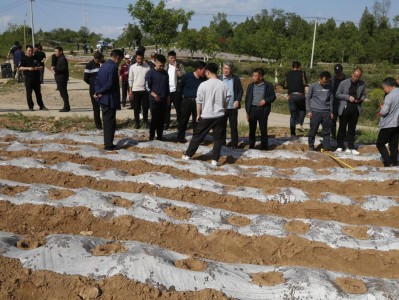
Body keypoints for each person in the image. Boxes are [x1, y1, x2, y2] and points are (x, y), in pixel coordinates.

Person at [182, 62, 230, 166]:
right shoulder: (223, 85)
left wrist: (198, 114)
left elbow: (198, 101)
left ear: (208, 72)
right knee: (218, 139)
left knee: (198, 136)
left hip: (207, 115)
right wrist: (224, 109)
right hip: (219, 115)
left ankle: (187, 155)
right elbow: (228, 99)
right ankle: (214, 160)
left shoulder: (203, 85)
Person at [94, 49, 124, 151]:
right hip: (109, 99)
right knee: (110, 123)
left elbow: (97, 80)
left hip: (103, 99)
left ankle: (108, 143)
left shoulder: (104, 66)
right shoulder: (113, 67)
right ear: (117, 58)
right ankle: (109, 145)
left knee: (107, 121)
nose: (120, 62)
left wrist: (98, 91)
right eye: (120, 60)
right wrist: (99, 92)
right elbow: (110, 84)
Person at [335, 68, 366, 154]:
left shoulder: (362, 84)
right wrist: (348, 97)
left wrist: (361, 99)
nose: (355, 78)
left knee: (352, 128)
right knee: (342, 127)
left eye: (358, 77)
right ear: (352, 74)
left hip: (355, 108)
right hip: (345, 107)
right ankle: (340, 145)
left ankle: (351, 146)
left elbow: (364, 95)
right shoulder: (344, 83)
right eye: (354, 76)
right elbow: (337, 94)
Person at [245, 68, 276, 150]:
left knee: (263, 130)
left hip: (263, 110)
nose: (253, 77)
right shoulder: (250, 86)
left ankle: (264, 147)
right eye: (253, 75)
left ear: (261, 77)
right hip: (252, 110)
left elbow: (273, 97)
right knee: (252, 130)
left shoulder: (268, 85)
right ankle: (251, 146)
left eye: (255, 76)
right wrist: (247, 112)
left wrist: (265, 100)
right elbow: (247, 99)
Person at [176, 60, 207, 143]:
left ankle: (196, 139)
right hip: (187, 101)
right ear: (198, 69)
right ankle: (180, 137)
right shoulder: (187, 76)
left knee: (197, 120)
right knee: (183, 120)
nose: (205, 73)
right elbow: (181, 87)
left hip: (198, 102)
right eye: (204, 70)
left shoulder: (203, 79)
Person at [306, 71, 333, 151]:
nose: (325, 84)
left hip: (326, 112)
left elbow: (331, 99)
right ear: (320, 79)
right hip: (315, 111)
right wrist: (308, 110)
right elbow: (307, 98)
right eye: (324, 82)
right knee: (313, 130)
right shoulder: (313, 86)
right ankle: (311, 146)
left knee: (326, 131)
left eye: (327, 82)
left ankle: (326, 147)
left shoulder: (330, 86)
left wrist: (331, 111)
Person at [145, 54, 170, 141]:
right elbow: (147, 87)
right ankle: (151, 136)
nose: (161, 67)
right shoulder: (150, 73)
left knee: (162, 119)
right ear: (156, 62)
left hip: (163, 99)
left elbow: (167, 87)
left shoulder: (165, 73)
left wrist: (168, 98)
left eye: (163, 65)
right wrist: (154, 95)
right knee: (155, 118)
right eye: (160, 65)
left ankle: (160, 136)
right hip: (154, 99)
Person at [219, 61, 243, 148]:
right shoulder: (219, 79)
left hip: (232, 107)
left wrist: (237, 100)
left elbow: (240, 91)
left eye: (228, 69)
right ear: (222, 69)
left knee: (233, 127)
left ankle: (234, 144)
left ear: (231, 70)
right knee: (222, 126)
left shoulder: (235, 79)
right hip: (222, 107)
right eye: (224, 68)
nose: (226, 70)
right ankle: (222, 144)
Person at [376, 77, 399, 167]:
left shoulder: (389, 96)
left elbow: (385, 111)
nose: (384, 90)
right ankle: (394, 161)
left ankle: (388, 162)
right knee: (393, 144)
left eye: (384, 88)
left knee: (380, 144)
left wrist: (381, 109)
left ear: (389, 86)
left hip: (388, 124)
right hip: (397, 123)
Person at [18, 45, 48, 111]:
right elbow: (20, 68)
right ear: (26, 51)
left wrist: (37, 68)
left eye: (31, 51)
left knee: (38, 93)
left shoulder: (36, 58)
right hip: (28, 78)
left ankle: (41, 106)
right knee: (29, 94)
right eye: (29, 51)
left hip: (36, 78)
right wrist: (28, 68)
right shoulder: (23, 58)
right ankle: (31, 107)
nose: (30, 52)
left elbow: (41, 67)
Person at [283, 61, 308, 137]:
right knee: (302, 109)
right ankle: (299, 123)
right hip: (300, 95)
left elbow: (284, 86)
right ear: (299, 67)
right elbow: (305, 83)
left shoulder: (287, 74)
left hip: (291, 96)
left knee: (293, 115)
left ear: (292, 67)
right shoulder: (302, 73)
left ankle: (293, 134)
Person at [128, 50, 150, 129]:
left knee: (145, 107)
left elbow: (149, 79)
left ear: (143, 58)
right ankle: (136, 122)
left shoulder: (147, 67)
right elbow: (130, 79)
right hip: (135, 90)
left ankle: (145, 121)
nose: (139, 60)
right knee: (136, 107)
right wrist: (130, 91)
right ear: (136, 58)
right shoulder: (132, 67)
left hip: (144, 90)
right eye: (138, 58)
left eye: (141, 58)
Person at [164, 50, 185, 130]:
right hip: (167, 91)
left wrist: (176, 68)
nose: (173, 59)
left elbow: (182, 76)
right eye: (171, 58)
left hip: (177, 90)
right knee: (167, 108)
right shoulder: (166, 66)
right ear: (168, 58)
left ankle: (180, 124)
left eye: (174, 57)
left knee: (178, 109)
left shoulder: (179, 65)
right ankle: (166, 124)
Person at [84, 51, 104, 130]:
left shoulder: (103, 64)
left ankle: (106, 124)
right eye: (97, 60)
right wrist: (92, 84)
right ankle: (98, 126)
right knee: (96, 108)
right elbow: (85, 78)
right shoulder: (89, 65)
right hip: (93, 89)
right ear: (94, 58)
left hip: (103, 89)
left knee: (105, 107)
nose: (99, 61)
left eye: (100, 60)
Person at [51, 47, 70, 112]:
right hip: (59, 78)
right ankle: (66, 106)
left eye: (56, 51)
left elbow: (63, 69)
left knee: (63, 93)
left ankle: (66, 107)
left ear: (61, 52)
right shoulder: (59, 58)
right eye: (55, 51)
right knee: (62, 93)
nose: (55, 52)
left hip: (62, 78)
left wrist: (55, 68)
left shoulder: (63, 59)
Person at [331, 64, 346, 140]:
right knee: (333, 120)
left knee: (342, 121)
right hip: (334, 103)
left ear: (342, 71)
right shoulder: (332, 80)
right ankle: (333, 136)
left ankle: (341, 136)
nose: (337, 74)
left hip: (343, 103)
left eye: (339, 72)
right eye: (336, 72)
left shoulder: (346, 80)